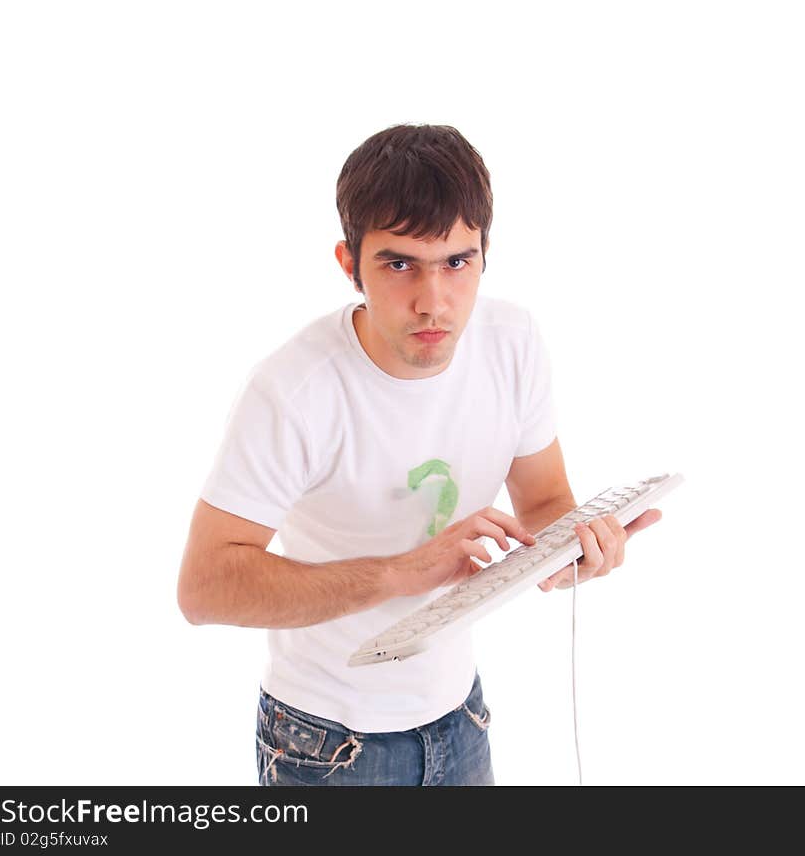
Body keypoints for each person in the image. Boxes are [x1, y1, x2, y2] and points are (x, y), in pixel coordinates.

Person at [176, 123, 662, 786]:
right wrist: (400, 572)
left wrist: (573, 553)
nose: (434, 300)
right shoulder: (294, 391)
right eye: (400, 263)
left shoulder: (512, 342)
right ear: (350, 265)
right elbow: (203, 587)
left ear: (485, 256)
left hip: (460, 716)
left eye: (458, 262)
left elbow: (546, 503)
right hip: (326, 745)